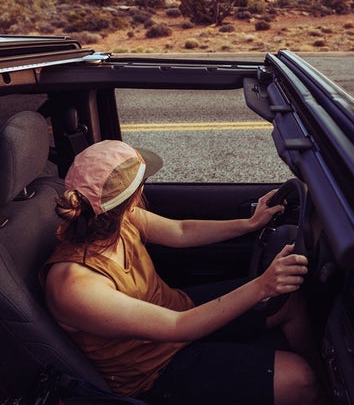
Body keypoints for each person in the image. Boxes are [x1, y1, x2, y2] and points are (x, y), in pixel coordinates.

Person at [40, 140, 323, 405]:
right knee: (302, 380)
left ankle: (331, 382)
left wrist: (249, 224)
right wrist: (262, 286)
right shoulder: (75, 284)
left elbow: (180, 231)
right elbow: (179, 326)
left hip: (175, 311)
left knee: (288, 300)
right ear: (133, 197)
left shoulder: (117, 219)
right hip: (154, 371)